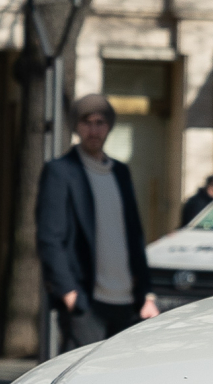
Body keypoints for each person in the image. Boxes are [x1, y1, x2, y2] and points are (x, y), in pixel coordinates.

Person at [37, 93, 157, 352]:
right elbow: (50, 237)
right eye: (86, 122)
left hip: (127, 302)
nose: (94, 130)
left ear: (109, 127)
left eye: (100, 122)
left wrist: (147, 294)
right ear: (76, 127)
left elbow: (134, 235)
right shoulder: (60, 172)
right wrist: (69, 293)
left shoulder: (121, 172)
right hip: (86, 302)